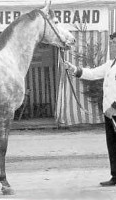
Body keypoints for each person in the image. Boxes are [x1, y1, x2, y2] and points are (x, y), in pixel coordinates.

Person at [65, 31, 116, 187]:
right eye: (112, 43)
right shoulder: (110, 64)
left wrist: (115, 107)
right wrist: (74, 69)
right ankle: (115, 175)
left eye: (114, 43)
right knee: (112, 145)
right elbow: (93, 74)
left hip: (114, 111)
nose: (112, 46)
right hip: (109, 113)